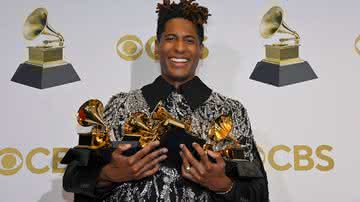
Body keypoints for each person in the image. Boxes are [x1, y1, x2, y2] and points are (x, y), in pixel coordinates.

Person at [63, 0, 269, 201]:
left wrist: (222, 184)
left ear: (200, 49)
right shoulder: (119, 106)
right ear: (157, 47)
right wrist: (109, 174)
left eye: (189, 40)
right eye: (171, 38)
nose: (179, 48)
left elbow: (258, 192)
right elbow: (74, 177)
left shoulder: (230, 111)